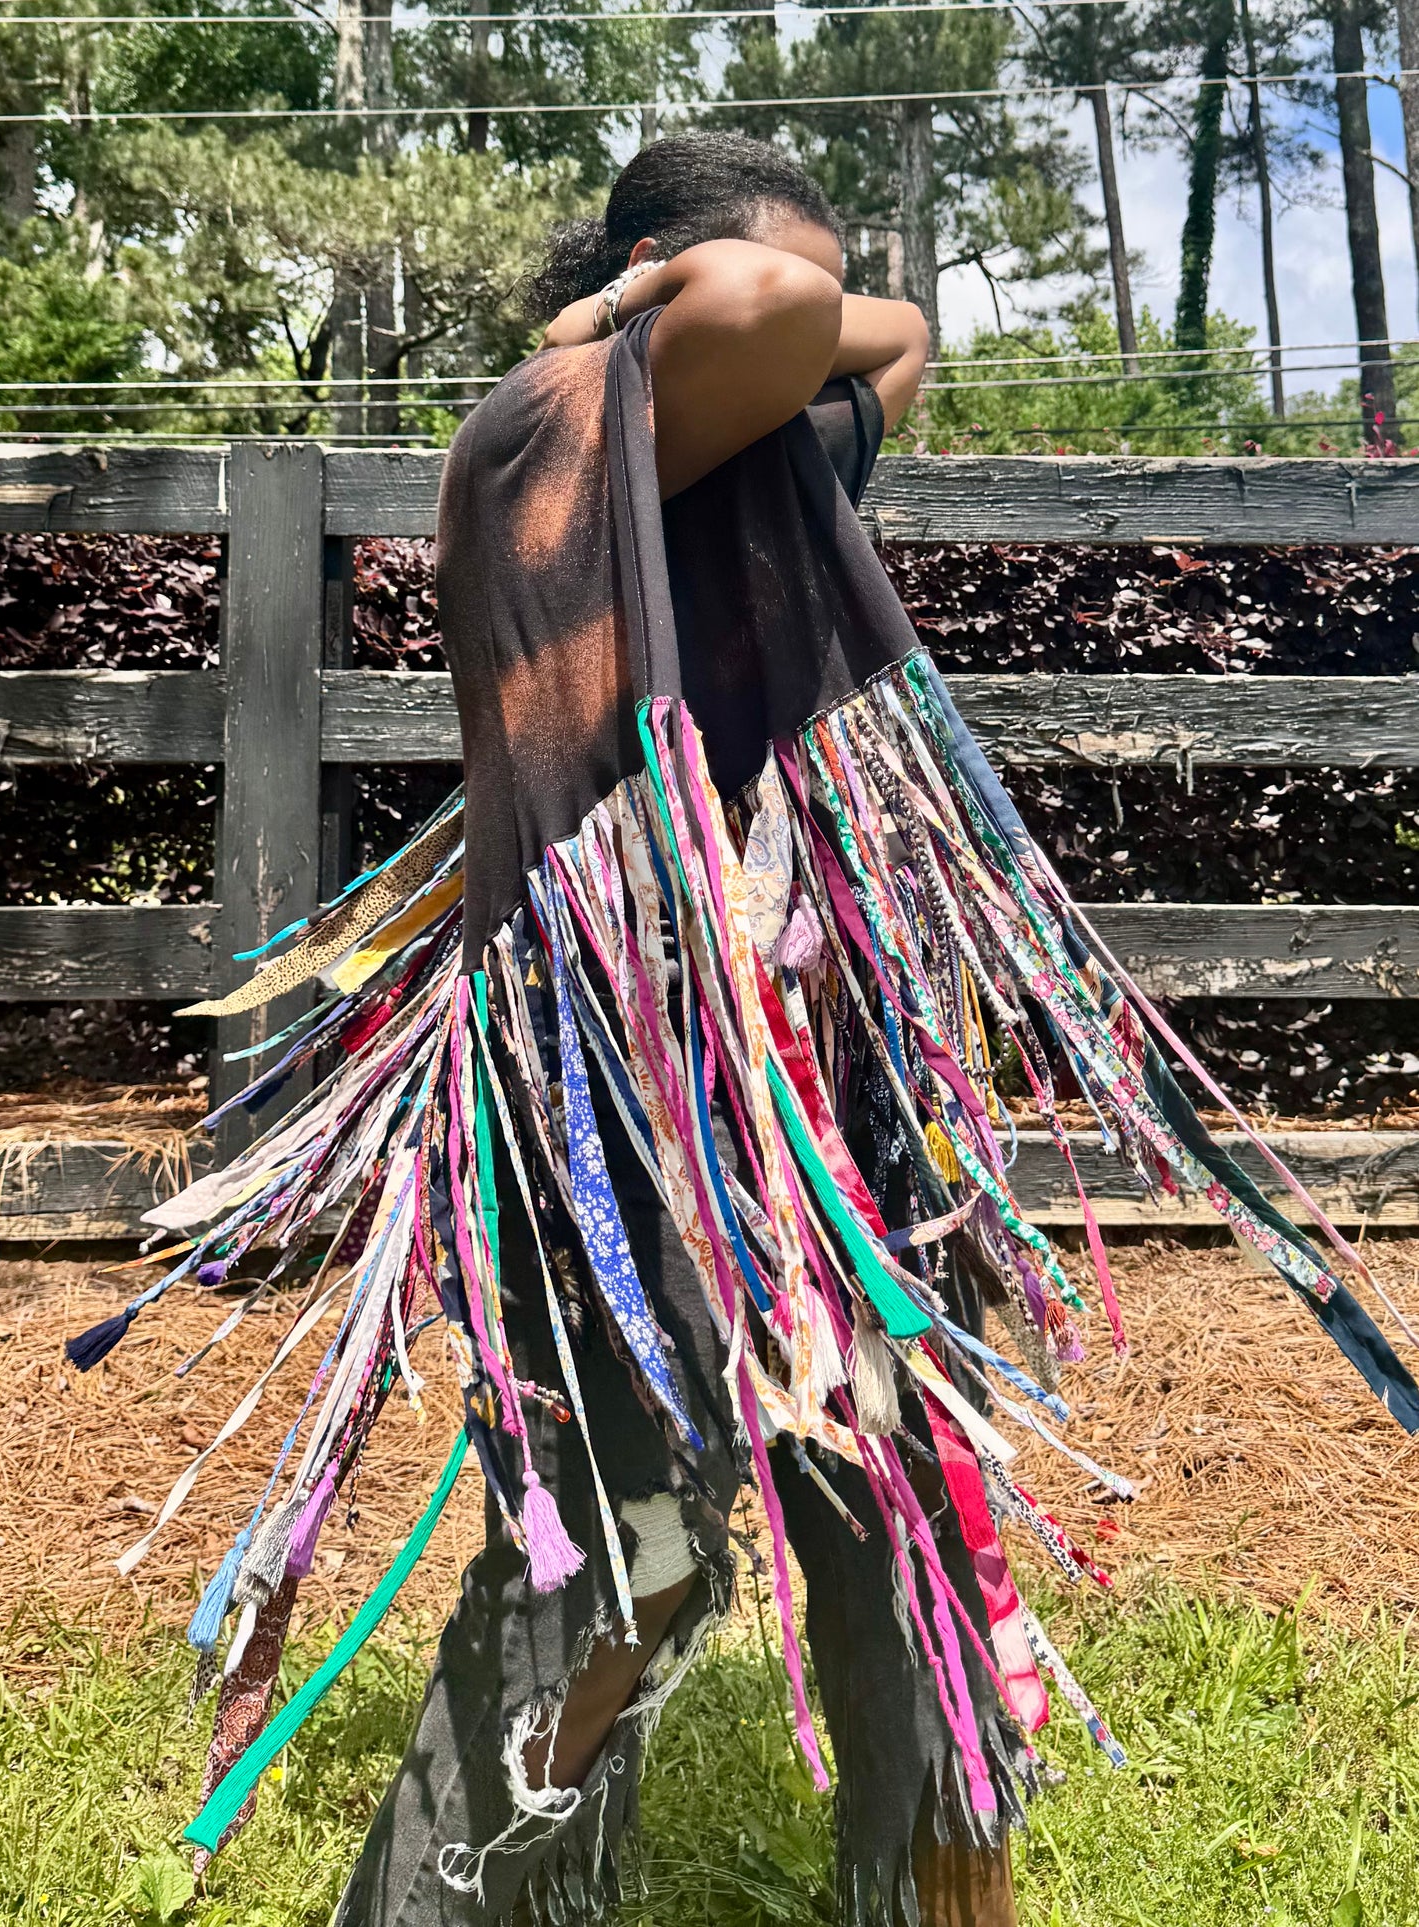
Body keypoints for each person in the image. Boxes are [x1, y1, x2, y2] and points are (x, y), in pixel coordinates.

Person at [68, 133, 1419, 1927]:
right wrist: (670, 307)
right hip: (614, 1097)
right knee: (621, 1558)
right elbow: (788, 308)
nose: (799, 348)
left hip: (823, 1098)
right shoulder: (539, 435)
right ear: (643, 281)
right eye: (722, 294)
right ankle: (453, 1901)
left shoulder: (756, 463)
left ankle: (934, 1893)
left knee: (907, 1505)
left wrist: (799, 310)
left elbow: (888, 335)